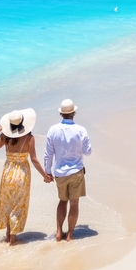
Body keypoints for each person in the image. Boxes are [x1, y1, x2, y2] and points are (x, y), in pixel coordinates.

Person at [0, 108, 49, 246]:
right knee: (18, 206)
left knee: (8, 204)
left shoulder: (4, 137)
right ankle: (13, 240)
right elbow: (34, 160)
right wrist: (45, 176)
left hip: (7, 173)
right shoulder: (29, 138)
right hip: (22, 174)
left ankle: (8, 235)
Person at [43, 99, 92, 241]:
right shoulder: (81, 130)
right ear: (74, 113)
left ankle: (59, 232)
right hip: (76, 171)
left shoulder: (53, 130)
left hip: (59, 172)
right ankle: (70, 234)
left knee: (62, 201)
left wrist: (47, 171)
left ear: (61, 114)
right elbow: (88, 151)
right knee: (74, 203)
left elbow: (48, 153)